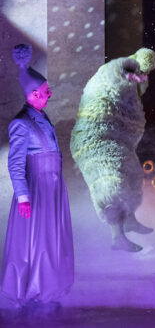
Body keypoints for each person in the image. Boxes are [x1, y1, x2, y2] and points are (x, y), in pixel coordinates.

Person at [1, 44, 74, 310]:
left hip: (52, 189)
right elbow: (15, 163)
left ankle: (46, 291)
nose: (49, 94)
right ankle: (29, 293)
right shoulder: (21, 123)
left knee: (50, 241)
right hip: (37, 190)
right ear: (33, 94)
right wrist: (23, 196)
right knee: (34, 243)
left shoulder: (42, 117)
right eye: (45, 91)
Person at [71, 48, 155, 252]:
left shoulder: (135, 84)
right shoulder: (114, 70)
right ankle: (117, 236)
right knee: (110, 184)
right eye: (143, 69)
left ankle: (130, 220)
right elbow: (114, 75)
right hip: (93, 139)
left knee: (132, 175)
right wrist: (127, 75)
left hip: (116, 139)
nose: (145, 74)